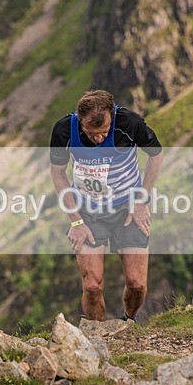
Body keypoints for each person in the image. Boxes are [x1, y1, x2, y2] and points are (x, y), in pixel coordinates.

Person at [49, 89, 164, 322]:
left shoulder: (129, 123)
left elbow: (157, 154)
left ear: (112, 115)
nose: (98, 138)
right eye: (91, 134)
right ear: (80, 120)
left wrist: (142, 199)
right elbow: (58, 173)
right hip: (88, 213)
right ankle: (98, 339)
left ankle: (126, 322)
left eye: (103, 133)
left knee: (137, 283)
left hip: (127, 210)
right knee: (92, 286)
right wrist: (76, 220)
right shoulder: (64, 130)